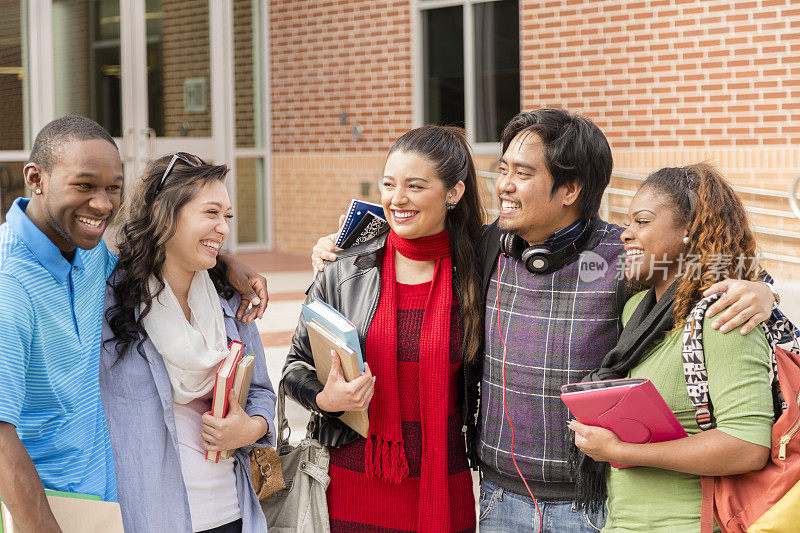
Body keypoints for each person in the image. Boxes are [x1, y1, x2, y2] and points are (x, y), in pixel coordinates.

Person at [311, 109, 779, 532]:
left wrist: (760, 286)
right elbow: (414, 225)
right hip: (499, 498)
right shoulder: (486, 248)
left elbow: (702, 266)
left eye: (523, 173)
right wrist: (342, 246)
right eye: (504, 170)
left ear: (570, 189)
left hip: (588, 506)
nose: (504, 185)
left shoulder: (618, 256)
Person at [0, 116, 268, 532]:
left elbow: (153, 259)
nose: (104, 204)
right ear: (35, 178)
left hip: (111, 504)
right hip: (53, 506)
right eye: (84, 185)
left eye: (112, 188)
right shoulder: (11, 283)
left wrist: (227, 263)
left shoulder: (89, 259)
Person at [284, 125, 482, 532]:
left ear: (453, 193)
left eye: (415, 185)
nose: (397, 199)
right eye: (389, 185)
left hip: (441, 486)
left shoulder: (482, 272)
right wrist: (326, 398)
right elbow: (294, 368)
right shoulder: (344, 270)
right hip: (350, 484)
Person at [569, 163, 773, 531]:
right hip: (624, 522)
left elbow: (747, 445)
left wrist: (620, 452)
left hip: (690, 521)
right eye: (628, 222)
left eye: (642, 222)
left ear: (688, 231)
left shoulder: (723, 315)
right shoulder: (636, 309)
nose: (626, 234)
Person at [100, 154, 276, 533]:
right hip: (151, 515)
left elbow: (261, 391)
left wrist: (253, 427)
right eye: (211, 213)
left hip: (233, 512)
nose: (223, 227)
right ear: (163, 213)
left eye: (227, 216)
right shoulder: (110, 303)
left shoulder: (230, 301)